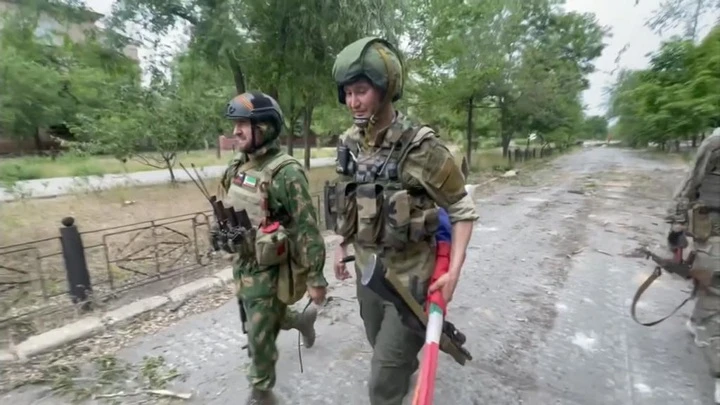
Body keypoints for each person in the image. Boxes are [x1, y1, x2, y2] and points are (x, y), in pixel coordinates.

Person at [329, 37, 479, 405]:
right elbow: (350, 199)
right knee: (382, 349)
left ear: (386, 88)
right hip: (369, 276)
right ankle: (401, 368)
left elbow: (462, 211)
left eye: (361, 91)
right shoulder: (350, 143)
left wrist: (453, 273)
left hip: (410, 283)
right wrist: (341, 246)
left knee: (382, 383)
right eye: (347, 92)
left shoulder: (422, 148)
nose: (353, 102)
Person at [216, 91, 329, 405]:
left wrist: (316, 278)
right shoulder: (238, 164)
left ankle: (261, 392)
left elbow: (307, 228)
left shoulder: (287, 173)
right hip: (244, 262)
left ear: (264, 127)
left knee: (259, 331)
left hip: (272, 267)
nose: (235, 130)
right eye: (234, 123)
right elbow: (228, 202)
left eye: (243, 124)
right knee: (263, 317)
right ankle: (301, 321)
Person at [665, 128, 720, 402]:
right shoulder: (716, 144)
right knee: (713, 287)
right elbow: (692, 183)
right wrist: (676, 222)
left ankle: (700, 319)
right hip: (715, 234)